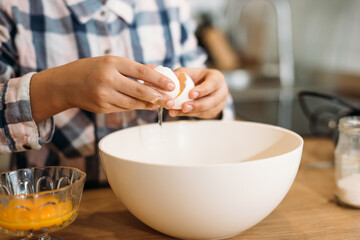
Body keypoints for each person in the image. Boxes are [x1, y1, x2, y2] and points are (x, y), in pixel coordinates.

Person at [0, 0, 234, 187]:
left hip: (162, 195)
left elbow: (207, 105)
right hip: (53, 202)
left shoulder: (171, 6)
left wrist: (211, 101)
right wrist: (60, 89)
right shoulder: (13, 8)